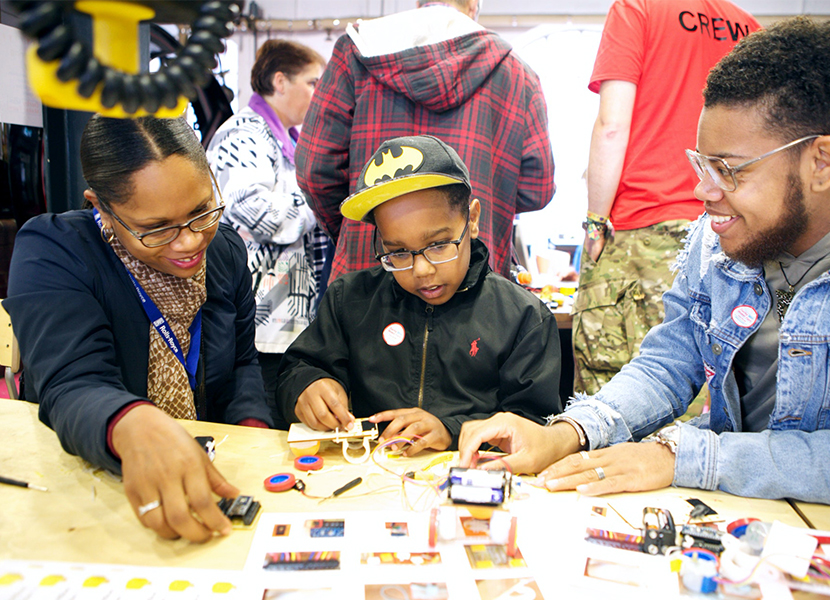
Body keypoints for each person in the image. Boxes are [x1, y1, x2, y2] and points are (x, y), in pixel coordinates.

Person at [458, 17, 830, 507]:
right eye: (701, 165)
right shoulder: (722, 238)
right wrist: (565, 433)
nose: (702, 192)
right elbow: (671, 362)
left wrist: (681, 456)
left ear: (822, 162)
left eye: (728, 170)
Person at [4, 115, 274, 541]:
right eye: (156, 229)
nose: (189, 242)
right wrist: (131, 424)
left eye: (201, 211)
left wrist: (254, 440)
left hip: (209, 473)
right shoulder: (55, 251)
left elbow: (241, 364)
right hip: (90, 486)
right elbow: (72, 385)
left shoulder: (223, 251)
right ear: (103, 209)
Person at [278, 135, 562, 455]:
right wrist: (306, 387)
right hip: (365, 476)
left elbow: (534, 426)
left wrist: (450, 431)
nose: (422, 270)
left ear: (472, 220)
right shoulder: (349, 300)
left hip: (466, 485)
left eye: (439, 245)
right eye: (397, 252)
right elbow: (296, 368)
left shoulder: (523, 318)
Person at [295, 0, 554, 284]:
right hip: (471, 280)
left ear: (419, 3)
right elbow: (536, 190)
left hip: (368, 274)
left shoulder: (357, 52)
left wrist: (360, 225)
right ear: (473, 6)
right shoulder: (518, 74)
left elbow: (315, 169)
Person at [574, 0, 759, 393]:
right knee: (707, 396)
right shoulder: (748, 27)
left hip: (644, 230)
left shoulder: (637, 8)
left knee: (625, 394)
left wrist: (594, 223)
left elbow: (612, 126)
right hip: (729, 232)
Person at [206, 39, 330, 429]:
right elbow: (261, 215)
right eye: (313, 83)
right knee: (263, 424)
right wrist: (323, 194)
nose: (320, 95)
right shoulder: (243, 135)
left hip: (287, 318)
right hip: (262, 321)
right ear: (280, 81)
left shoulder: (287, 139)